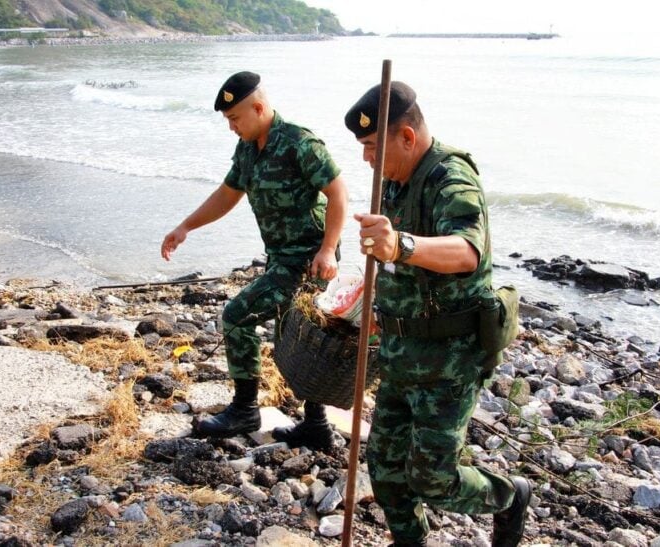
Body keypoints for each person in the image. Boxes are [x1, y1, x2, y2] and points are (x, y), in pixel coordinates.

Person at [344, 82, 531, 547]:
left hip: (450, 360)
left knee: (434, 479)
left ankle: (509, 496)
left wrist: (400, 244)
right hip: (401, 353)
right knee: (385, 472)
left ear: (407, 137)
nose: (367, 160)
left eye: (372, 147)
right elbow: (392, 261)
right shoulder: (393, 181)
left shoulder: (452, 177)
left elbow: (467, 251)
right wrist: (366, 301)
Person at [161, 71, 349, 450]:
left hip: (308, 261)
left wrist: (328, 250)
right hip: (279, 257)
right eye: (227, 120)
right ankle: (315, 426)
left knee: (238, 316)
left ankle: (246, 409)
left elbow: (339, 193)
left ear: (259, 107)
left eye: (235, 118)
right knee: (293, 331)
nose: (231, 127)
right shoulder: (248, 147)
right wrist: (185, 227)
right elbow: (227, 194)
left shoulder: (299, 143)